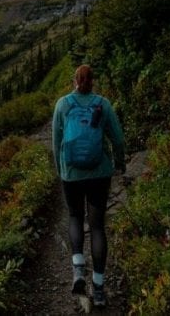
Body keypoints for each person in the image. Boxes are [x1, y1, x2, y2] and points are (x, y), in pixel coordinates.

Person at [52, 64, 126, 308]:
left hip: (71, 174)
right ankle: (100, 287)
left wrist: (60, 167)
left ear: (74, 80)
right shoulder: (103, 104)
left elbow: (56, 141)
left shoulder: (62, 104)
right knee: (96, 227)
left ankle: (78, 271)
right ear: (92, 81)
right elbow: (117, 138)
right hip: (99, 174)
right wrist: (120, 163)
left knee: (74, 216)